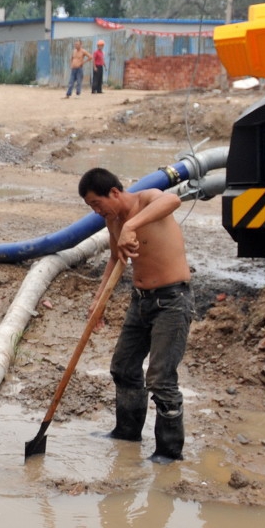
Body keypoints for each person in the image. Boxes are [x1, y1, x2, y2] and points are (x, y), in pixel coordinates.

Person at [79, 168, 193, 463]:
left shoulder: (146, 201)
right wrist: (99, 301)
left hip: (172, 301)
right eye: (91, 206)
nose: (96, 210)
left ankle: (168, 453)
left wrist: (132, 226)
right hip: (140, 301)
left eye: (96, 203)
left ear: (114, 192)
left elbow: (172, 201)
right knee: (124, 367)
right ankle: (127, 433)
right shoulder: (111, 219)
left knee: (161, 378)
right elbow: (117, 259)